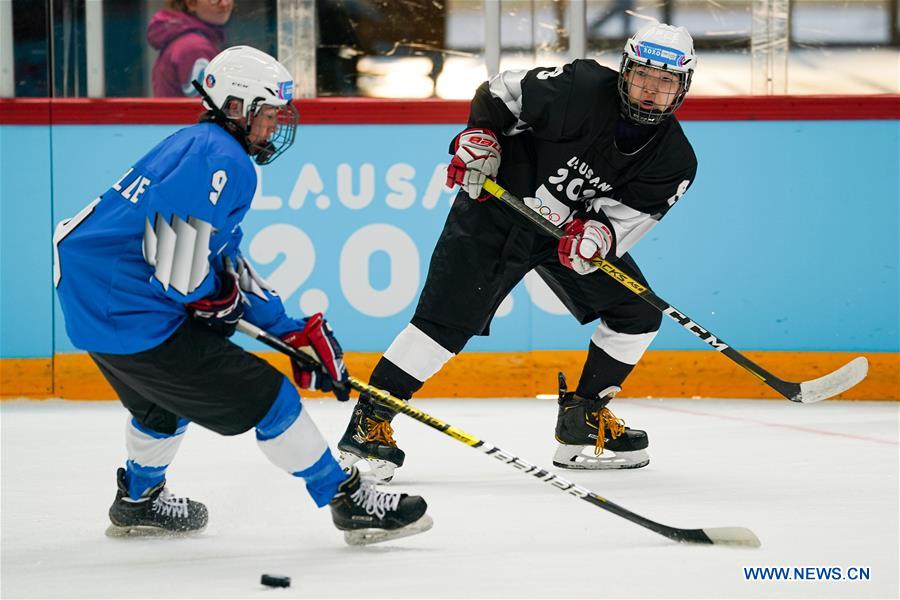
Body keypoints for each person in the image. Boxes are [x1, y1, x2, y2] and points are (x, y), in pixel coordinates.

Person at [53, 46, 432, 545]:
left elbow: (217, 259)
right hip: (130, 311)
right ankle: (349, 501)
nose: (275, 126)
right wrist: (215, 296)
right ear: (235, 106)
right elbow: (182, 267)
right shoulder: (222, 158)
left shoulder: (198, 143)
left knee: (159, 407)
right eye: (268, 114)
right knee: (274, 401)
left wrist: (287, 327)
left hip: (94, 310)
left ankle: (139, 500)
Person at [337, 22, 698, 480]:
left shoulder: (675, 160)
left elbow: (625, 219)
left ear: (682, 87)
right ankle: (369, 426)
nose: (651, 89)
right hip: (497, 211)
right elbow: (499, 93)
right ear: (625, 70)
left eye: (666, 81)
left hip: (562, 232)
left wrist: (597, 237)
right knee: (443, 325)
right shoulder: (582, 87)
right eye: (643, 74)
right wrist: (481, 137)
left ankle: (583, 418)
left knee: (638, 314)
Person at [148, 0, 233, 97]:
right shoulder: (195, 48)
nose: (224, 4)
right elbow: (204, 107)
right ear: (191, 3)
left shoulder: (185, 41)